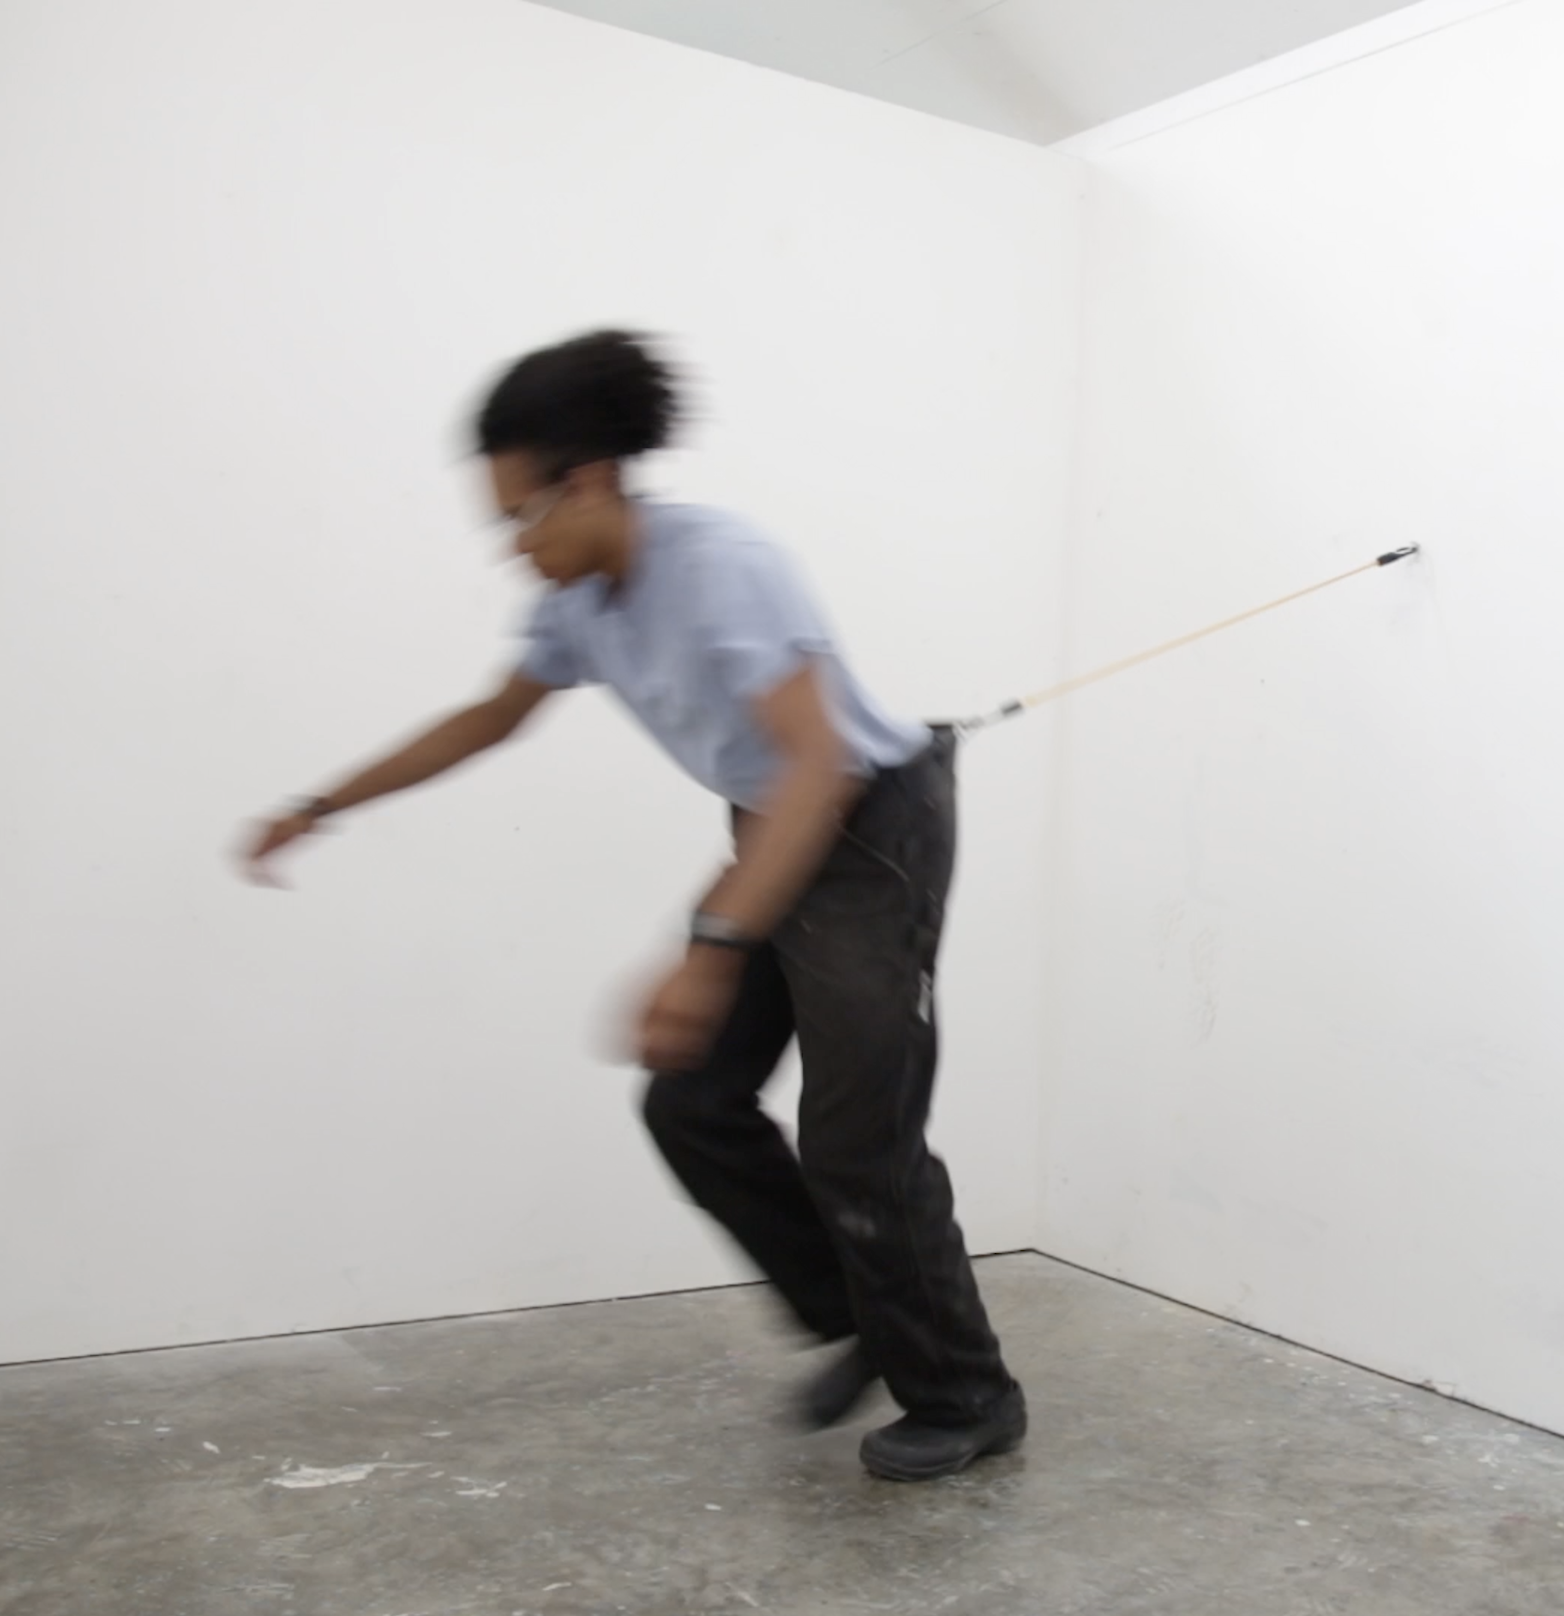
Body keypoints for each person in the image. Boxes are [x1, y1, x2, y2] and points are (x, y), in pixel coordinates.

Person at [239, 329, 1025, 1482]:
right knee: (691, 1101)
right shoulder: (578, 604)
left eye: (522, 516)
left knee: (859, 1137)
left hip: (870, 830)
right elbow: (490, 717)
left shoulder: (724, 567)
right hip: (779, 824)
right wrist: (323, 802)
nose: (514, 547)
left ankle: (969, 1393)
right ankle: (864, 1311)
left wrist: (710, 950)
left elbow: (820, 767)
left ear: (593, 480)